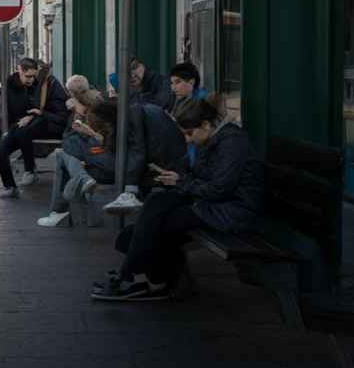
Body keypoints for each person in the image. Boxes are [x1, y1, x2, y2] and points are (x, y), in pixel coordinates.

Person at [91, 96, 263, 301]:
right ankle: (139, 275)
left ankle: (139, 277)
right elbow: (200, 174)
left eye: (190, 134)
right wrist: (178, 177)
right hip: (214, 204)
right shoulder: (214, 139)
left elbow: (218, 189)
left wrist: (181, 182)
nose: (188, 140)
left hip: (231, 211)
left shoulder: (232, 144)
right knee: (156, 205)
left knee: (159, 225)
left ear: (206, 124)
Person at [37, 80, 113, 227]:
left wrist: (85, 125)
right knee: (66, 154)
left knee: (64, 154)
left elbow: (101, 140)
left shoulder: (99, 110)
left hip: (104, 158)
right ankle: (80, 184)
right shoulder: (93, 106)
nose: (110, 91)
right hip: (96, 153)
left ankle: (59, 211)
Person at [96, 95, 190, 214]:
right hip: (172, 159)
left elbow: (137, 151)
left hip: (166, 165)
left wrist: (130, 188)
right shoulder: (138, 110)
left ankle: (134, 199)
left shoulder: (131, 118)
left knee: (127, 168)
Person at [0, 57, 69, 198]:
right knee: (0, 153)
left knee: (23, 131)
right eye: (28, 76)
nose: (31, 80)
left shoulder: (45, 84)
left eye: (34, 76)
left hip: (41, 124)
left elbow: (53, 113)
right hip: (19, 125)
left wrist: (32, 116)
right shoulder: (11, 83)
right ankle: (10, 186)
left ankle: (30, 170)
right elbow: (14, 109)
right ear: (19, 71)